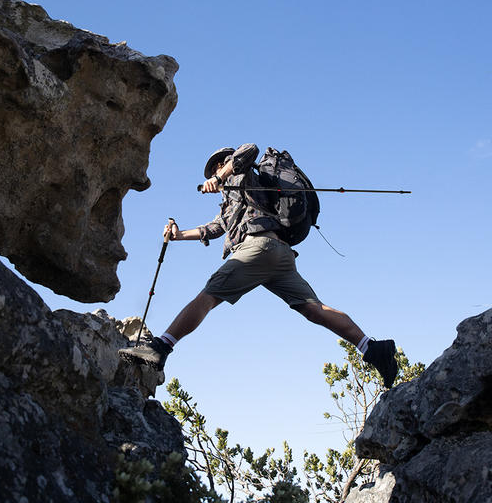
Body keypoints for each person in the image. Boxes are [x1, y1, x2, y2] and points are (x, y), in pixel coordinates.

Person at [119, 144, 398, 388]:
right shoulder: (233, 201)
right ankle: (373, 348)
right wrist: (179, 236)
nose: (212, 176)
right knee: (314, 309)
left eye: (215, 168)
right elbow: (215, 228)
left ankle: (160, 348)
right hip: (280, 255)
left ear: (223, 163)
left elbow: (249, 148)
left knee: (208, 296)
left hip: (257, 248)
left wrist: (220, 175)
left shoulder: (244, 174)